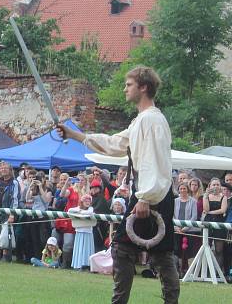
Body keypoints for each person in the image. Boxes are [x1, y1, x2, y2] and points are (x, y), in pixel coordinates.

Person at [57, 66, 179, 304]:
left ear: (143, 87)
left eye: (129, 84)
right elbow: (115, 144)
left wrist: (145, 198)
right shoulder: (140, 121)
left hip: (152, 196)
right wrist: (75, 135)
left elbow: (155, 161)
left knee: (142, 253)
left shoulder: (152, 120)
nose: (125, 89)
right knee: (130, 251)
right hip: (147, 195)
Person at [173, 183, 199, 274]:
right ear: (178, 190)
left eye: (184, 188)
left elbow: (194, 217)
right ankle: (179, 270)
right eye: (181, 188)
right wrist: (176, 228)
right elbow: (172, 216)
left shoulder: (193, 201)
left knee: (189, 251)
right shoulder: (175, 201)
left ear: (187, 190)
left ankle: (190, 271)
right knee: (177, 250)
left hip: (190, 230)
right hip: (176, 230)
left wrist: (184, 229)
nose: (183, 190)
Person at [202, 177, 228, 269]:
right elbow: (206, 209)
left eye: (217, 184)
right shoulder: (206, 196)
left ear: (220, 186)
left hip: (219, 224)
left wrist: (211, 212)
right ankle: (205, 270)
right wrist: (205, 196)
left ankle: (218, 272)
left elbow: (222, 210)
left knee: (219, 250)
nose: (216, 186)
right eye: (214, 184)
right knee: (205, 247)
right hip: (208, 223)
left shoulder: (223, 197)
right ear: (210, 186)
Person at [69, 194, 96, 269]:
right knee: (79, 248)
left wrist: (80, 213)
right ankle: (78, 264)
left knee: (87, 248)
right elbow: (70, 210)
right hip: (79, 231)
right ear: (82, 201)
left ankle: (86, 264)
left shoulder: (90, 208)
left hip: (88, 231)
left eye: (89, 201)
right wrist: (80, 211)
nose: (87, 202)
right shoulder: (78, 208)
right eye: (85, 201)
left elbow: (89, 213)